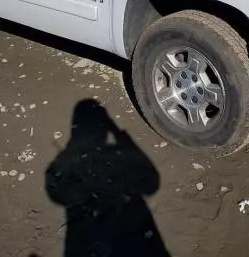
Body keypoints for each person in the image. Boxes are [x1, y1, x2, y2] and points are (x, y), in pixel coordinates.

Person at [45, 99, 169, 257]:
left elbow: (56, 193)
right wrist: (118, 132)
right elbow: (152, 184)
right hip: (134, 240)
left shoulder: (65, 161)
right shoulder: (115, 155)